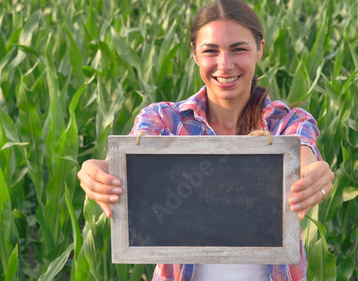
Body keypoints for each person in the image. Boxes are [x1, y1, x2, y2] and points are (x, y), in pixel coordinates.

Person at [78, 0, 334, 280]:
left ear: (260, 49)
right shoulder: (163, 120)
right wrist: (97, 170)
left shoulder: (286, 122)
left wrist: (312, 173)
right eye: (211, 51)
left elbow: (304, 152)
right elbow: (122, 162)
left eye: (239, 49)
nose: (225, 65)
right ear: (195, 54)